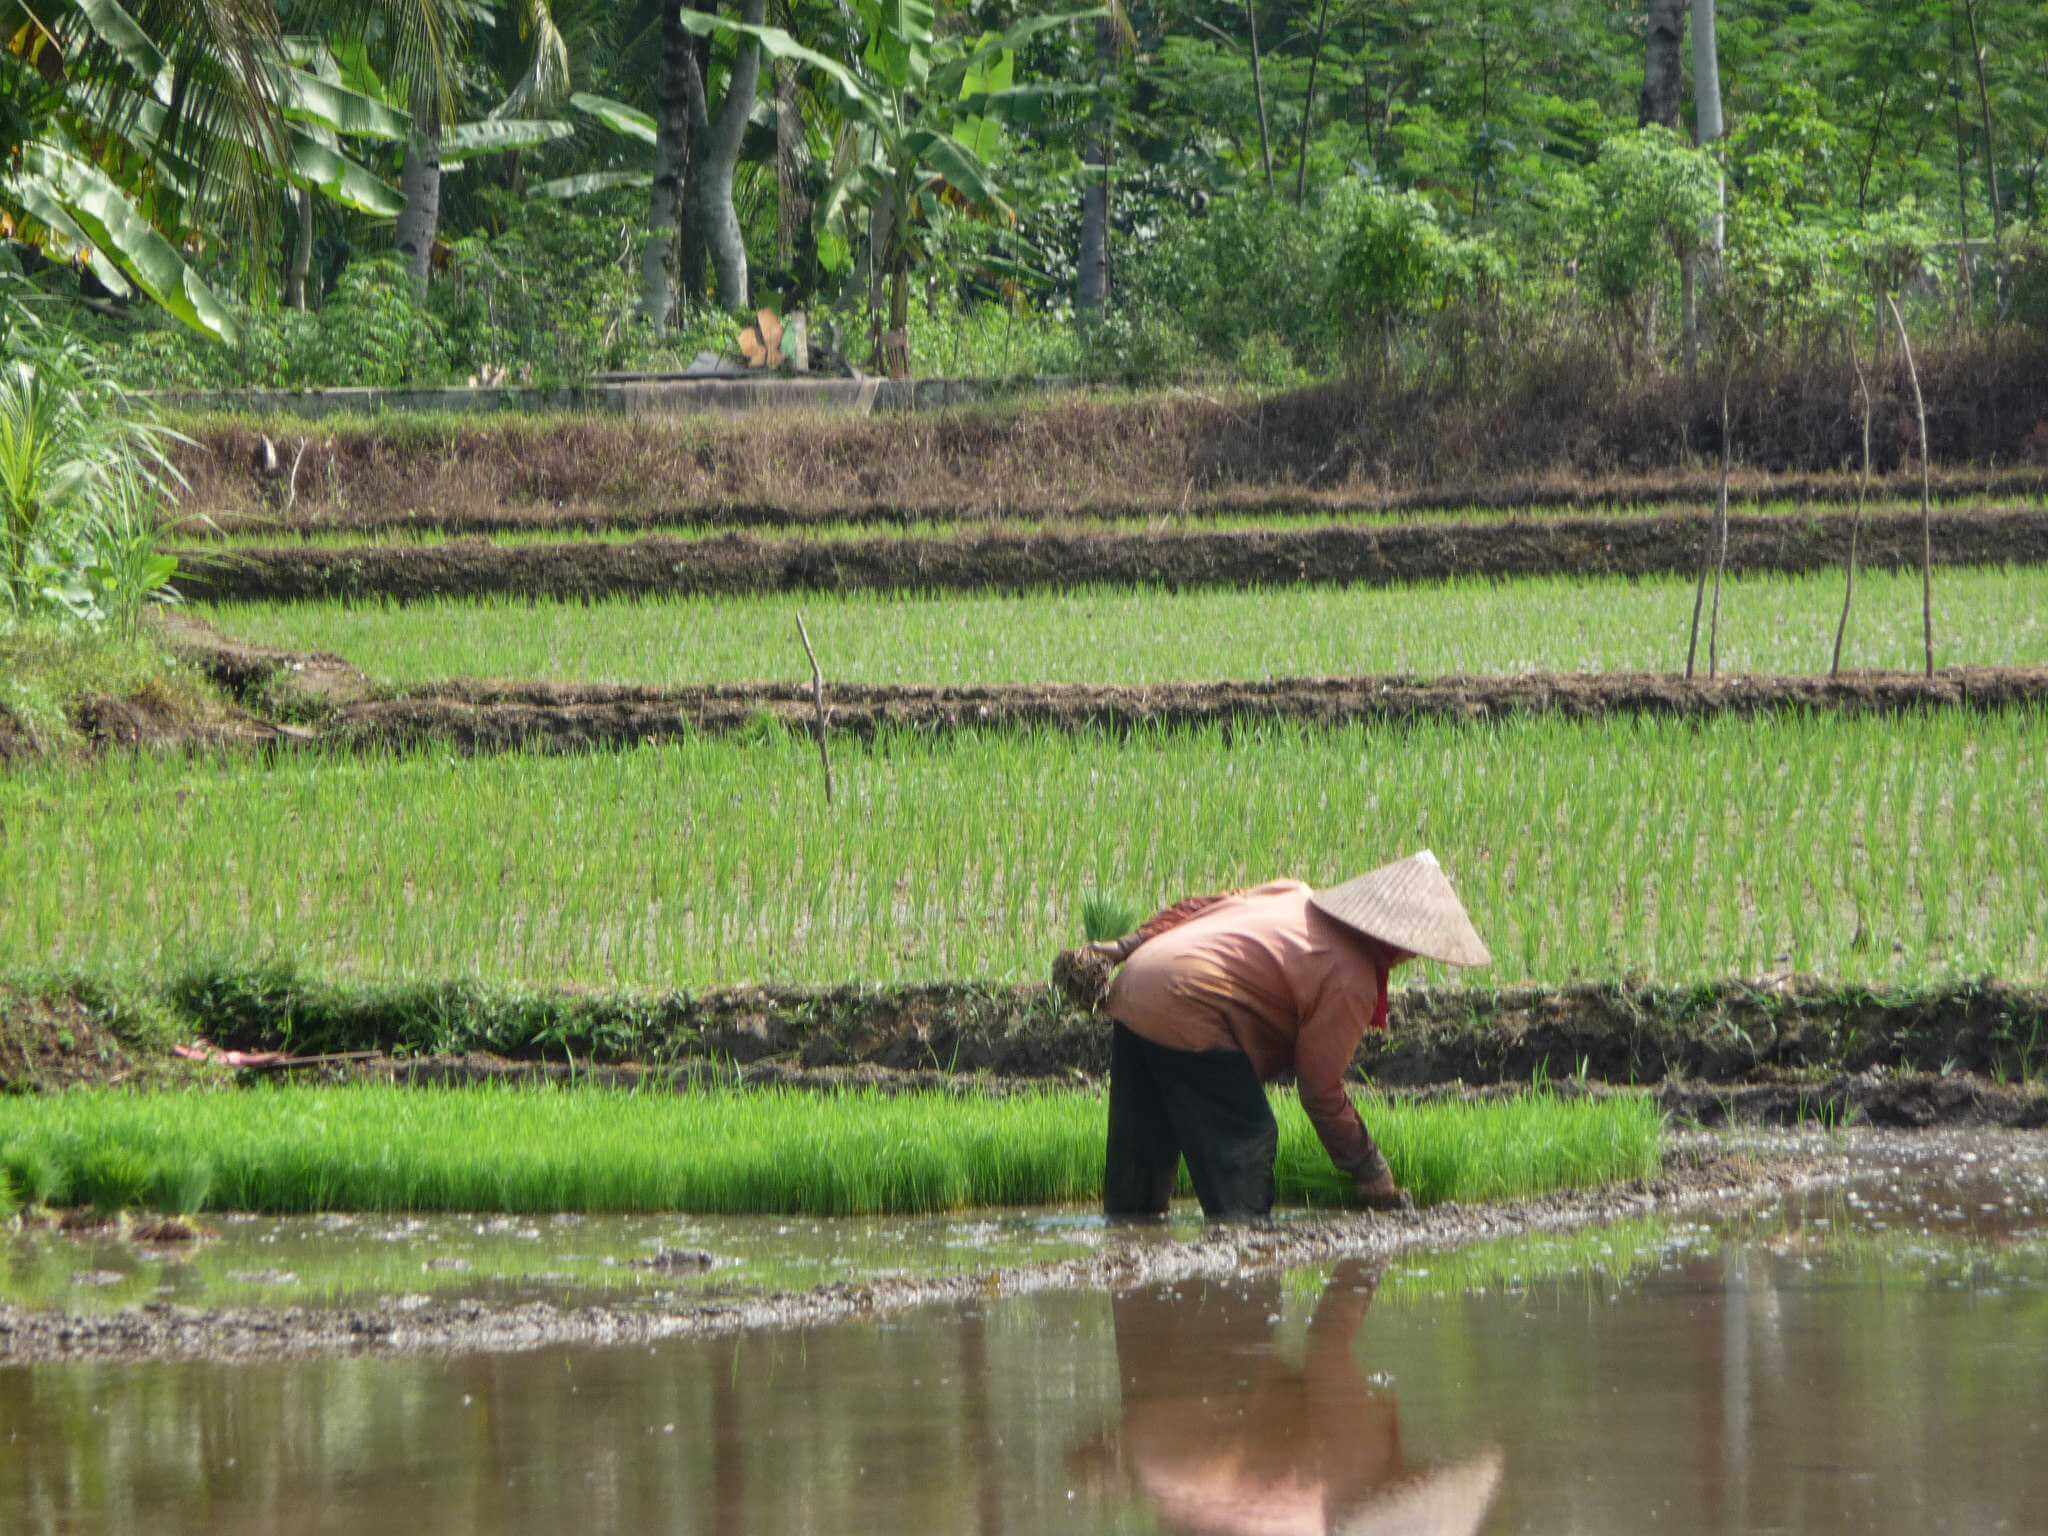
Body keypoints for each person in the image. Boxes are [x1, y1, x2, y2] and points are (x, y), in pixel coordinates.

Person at [1065, 851, 1490, 1220]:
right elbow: (1319, 1090)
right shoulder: (1351, 977)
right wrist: (1369, 1167)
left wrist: (1126, 946)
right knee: (1248, 1137)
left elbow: (1202, 908)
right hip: (1192, 1002)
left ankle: (1127, 1246)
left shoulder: (1292, 892)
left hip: (1136, 984)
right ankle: (1243, 1262)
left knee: (1144, 1145)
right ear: (1402, 943)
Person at [1066, 1260, 1504, 1536]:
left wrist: (1368, 1263)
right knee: (1279, 1389)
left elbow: (1328, 1341)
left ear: (1408, 1485)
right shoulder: (1316, 1521)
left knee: (1269, 1359)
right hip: (1159, 1457)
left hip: (1179, 1421)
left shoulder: (1361, 1459)